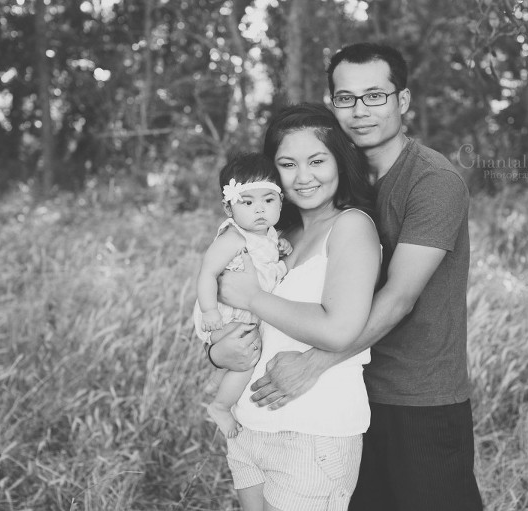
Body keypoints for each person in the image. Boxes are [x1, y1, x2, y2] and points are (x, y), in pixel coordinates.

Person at [218, 42, 483, 510]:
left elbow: (400, 297)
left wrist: (315, 363)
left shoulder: (432, 181)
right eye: (346, 98)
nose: (360, 111)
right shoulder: (320, 192)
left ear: (402, 100)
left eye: (375, 96)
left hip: (416, 395)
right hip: (345, 398)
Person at [215, 103, 381, 511]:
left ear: (340, 161)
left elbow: (339, 329)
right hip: (250, 426)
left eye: (317, 160)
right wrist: (217, 350)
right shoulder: (276, 235)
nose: (304, 177)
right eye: (288, 164)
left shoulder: (351, 227)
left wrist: (254, 297)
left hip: (312, 433)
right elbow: (235, 317)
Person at [192, 152, 290, 438]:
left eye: (268, 201)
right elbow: (207, 273)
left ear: (280, 202)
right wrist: (210, 311)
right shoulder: (232, 238)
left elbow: (266, 257)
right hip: (224, 314)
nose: (259, 210)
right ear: (228, 207)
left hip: (248, 308)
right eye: (248, 202)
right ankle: (221, 405)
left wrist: (279, 245)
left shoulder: (269, 235)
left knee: (244, 355)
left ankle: (218, 380)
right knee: (248, 356)